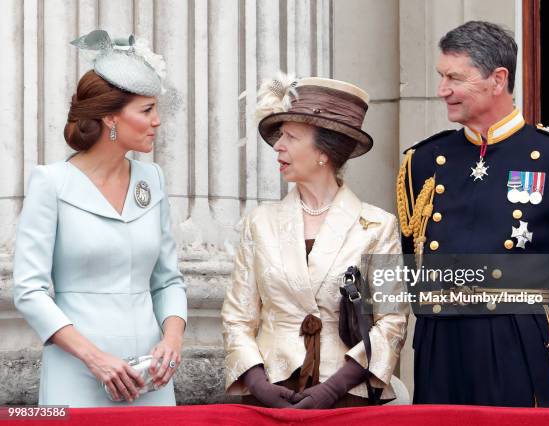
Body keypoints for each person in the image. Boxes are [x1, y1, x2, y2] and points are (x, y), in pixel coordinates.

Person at [397, 21, 549, 407]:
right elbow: (414, 262)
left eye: (455, 78)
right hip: (440, 343)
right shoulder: (423, 161)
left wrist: (544, 337)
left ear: (498, 79)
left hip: (518, 344)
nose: (443, 90)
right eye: (441, 77)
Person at [13, 30, 187, 407]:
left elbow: (168, 280)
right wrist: (94, 358)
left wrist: (172, 340)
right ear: (110, 116)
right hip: (77, 372)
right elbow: (29, 291)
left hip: (150, 378)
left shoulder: (151, 179)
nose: (157, 121)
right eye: (146, 110)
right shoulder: (51, 183)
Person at [222, 75, 407, 408]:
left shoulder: (379, 226)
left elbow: (391, 321)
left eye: (291, 137)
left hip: (347, 394)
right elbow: (237, 317)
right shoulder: (259, 223)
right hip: (271, 389)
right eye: (280, 137)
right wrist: (257, 383)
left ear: (324, 151)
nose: (278, 146)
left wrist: (333, 389)